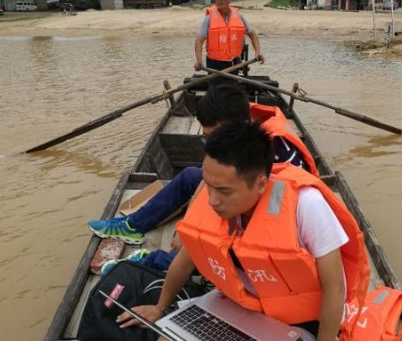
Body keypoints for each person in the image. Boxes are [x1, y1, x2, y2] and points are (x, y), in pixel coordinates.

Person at [117, 121, 370, 340]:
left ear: (260, 183)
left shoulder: (307, 206)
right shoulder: (214, 200)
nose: (212, 200)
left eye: (225, 191)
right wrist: (160, 307)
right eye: (208, 185)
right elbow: (183, 263)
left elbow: (335, 288)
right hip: (235, 306)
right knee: (167, 336)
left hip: (294, 323)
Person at [88, 84, 317, 246]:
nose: (209, 143)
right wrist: (190, 222)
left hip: (271, 222)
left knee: (201, 238)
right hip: (248, 199)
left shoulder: (272, 153)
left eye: (212, 136)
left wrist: (192, 230)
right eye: (206, 137)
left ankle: (161, 262)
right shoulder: (244, 133)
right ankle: (134, 226)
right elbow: (210, 179)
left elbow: (265, 211)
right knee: (190, 176)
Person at [194, 0, 265, 75]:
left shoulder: (239, 17)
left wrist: (258, 52)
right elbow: (199, 40)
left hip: (234, 62)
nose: (220, 0)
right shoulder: (209, 18)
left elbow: (253, 34)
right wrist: (199, 61)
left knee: (234, 87)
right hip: (215, 64)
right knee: (217, 88)